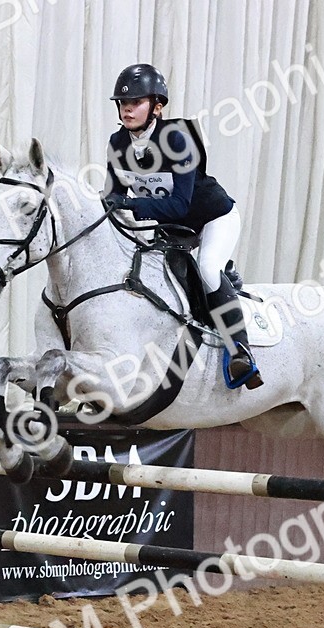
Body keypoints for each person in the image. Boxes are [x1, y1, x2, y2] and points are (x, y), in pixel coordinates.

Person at [103, 63, 262, 390]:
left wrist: (130, 204)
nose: (127, 108)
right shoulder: (118, 144)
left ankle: (240, 351)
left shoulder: (177, 139)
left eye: (136, 101)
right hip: (173, 230)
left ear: (157, 107)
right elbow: (113, 197)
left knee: (207, 269)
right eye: (122, 103)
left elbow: (180, 204)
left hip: (212, 218)